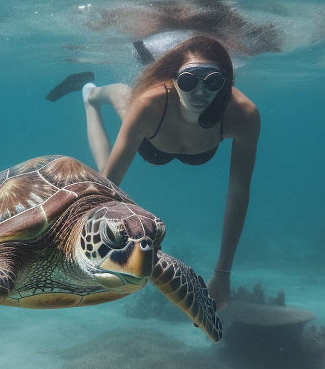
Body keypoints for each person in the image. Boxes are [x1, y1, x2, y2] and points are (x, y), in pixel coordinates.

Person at [49, 35, 260, 310]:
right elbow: (108, 186)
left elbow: (239, 191)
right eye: (188, 81)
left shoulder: (243, 115)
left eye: (212, 83)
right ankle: (90, 93)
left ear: (224, 84)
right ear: (173, 80)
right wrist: (79, 253)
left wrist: (223, 272)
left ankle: (94, 93)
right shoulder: (149, 106)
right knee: (107, 171)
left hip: (166, 129)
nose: (200, 92)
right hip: (154, 135)